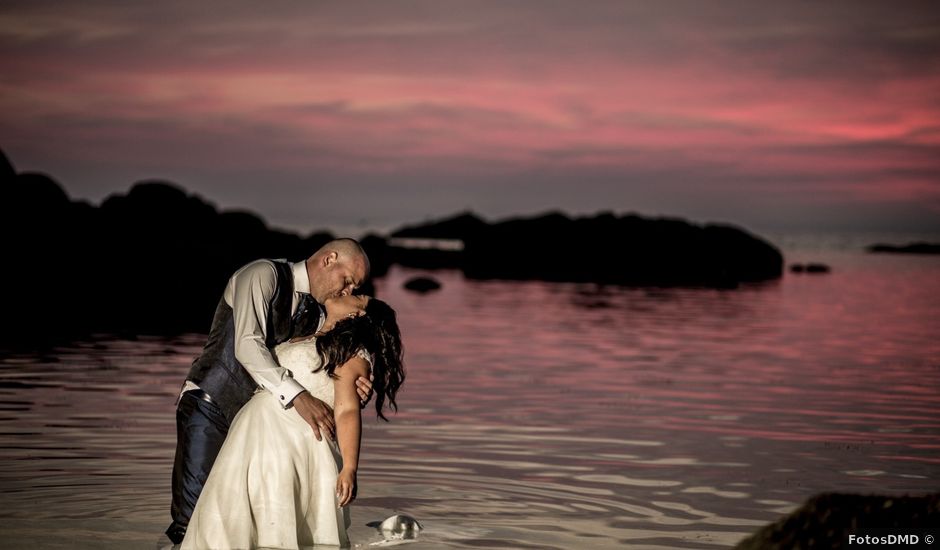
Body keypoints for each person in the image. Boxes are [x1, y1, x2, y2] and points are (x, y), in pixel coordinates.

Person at [167, 239, 374, 544]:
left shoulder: (319, 315)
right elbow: (247, 345)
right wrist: (299, 397)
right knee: (196, 521)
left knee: (242, 523)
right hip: (211, 406)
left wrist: (353, 389)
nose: (347, 292)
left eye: (353, 289)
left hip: (258, 433)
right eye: (347, 281)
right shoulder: (262, 274)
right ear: (329, 259)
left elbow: (313, 368)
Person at [181, 295, 405, 549]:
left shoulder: (350, 352)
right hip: (251, 440)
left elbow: (346, 411)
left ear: (359, 315)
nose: (347, 291)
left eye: (357, 296)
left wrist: (350, 467)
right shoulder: (304, 330)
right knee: (228, 522)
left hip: (293, 448)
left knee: (276, 526)